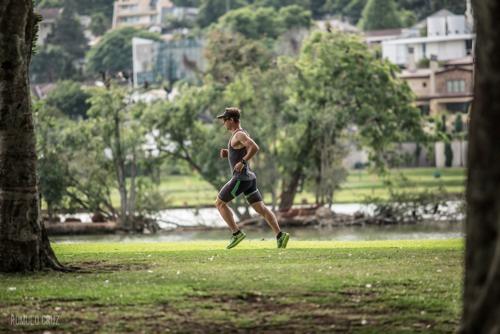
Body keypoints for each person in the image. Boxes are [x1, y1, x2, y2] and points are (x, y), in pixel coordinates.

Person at [215, 107, 290, 249]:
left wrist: (243, 161)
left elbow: (254, 147)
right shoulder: (242, 134)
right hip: (249, 179)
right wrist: (229, 154)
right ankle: (280, 235)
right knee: (261, 208)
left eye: (225, 120)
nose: (223, 123)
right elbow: (242, 151)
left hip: (240, 179)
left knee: (219, 203)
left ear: (231, 120)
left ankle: (236, 233)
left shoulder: (238, 135)